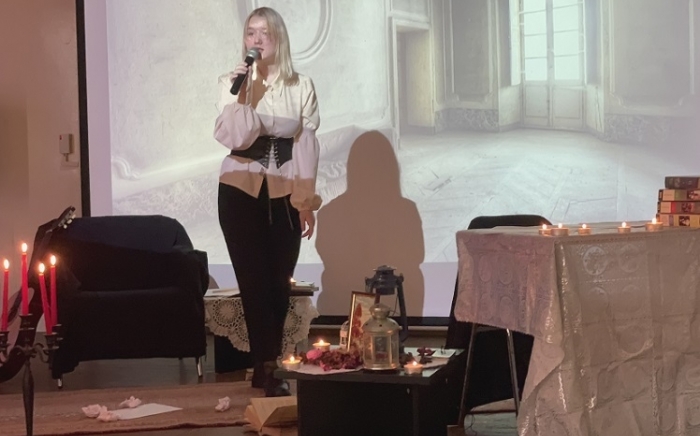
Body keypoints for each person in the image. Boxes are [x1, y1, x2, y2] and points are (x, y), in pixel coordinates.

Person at [213, 7, 322, 397]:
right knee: (253, 282)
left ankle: (266, 365)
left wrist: (304, 201)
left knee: (279, 283)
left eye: (264, 33)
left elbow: (305, 146)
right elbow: (235, 138)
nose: (256, 40)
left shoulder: (301, 85)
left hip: (285, 191)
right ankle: (268, 366)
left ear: (278, 38)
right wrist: (243, 91)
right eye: (250, 33)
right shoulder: (232, 82)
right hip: (239, 190)